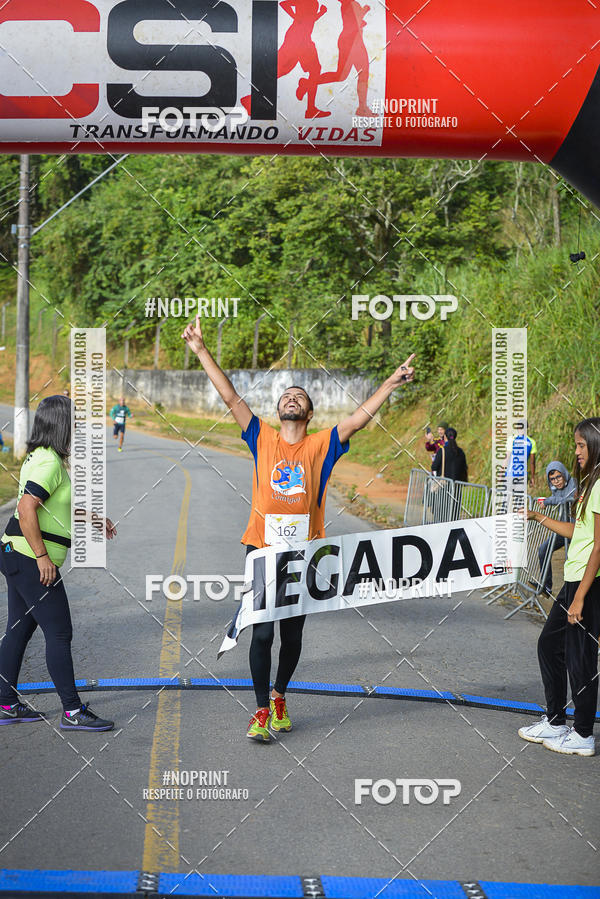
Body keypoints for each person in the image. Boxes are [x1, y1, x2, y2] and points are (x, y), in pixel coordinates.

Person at [182, 315, 416, 742]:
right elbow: (230, 395)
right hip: (260, 549)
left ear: (309, 412)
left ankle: (279, 695)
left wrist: (390, 383)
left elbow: (358, 419)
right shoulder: (261, 437)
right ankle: (258, 711)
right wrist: (200, 350)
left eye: (299, 397)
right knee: (262, 630)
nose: (291, 399)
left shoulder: (322, 445)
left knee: (292, 636)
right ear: (278, 410)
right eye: (286, 396)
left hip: (304, 555)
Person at [0, 395, 116, 731]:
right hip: (27, 557)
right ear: (61, 423)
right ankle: (72, 711)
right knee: (59, 631)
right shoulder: (49, 462)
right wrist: (42, 557)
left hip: (14, 553)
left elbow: (47, 506)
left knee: (18, 630)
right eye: (74, 420)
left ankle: (5, 703)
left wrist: (90, 516)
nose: (77, 426)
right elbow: (25, 509)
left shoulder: (43, 457)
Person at [518, 418, 600, 757]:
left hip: (588, 584)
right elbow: (577, 532)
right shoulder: (590, 482)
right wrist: (539, 517)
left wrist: (580, 596)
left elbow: (598, 546)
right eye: (576, 445)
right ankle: (554, 721)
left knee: (581, 660)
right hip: (573, 581)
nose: (576, 451)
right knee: (550, 646)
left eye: (581, 445)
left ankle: (582, 734)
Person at [531, 462, 577, 595]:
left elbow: (565, 500)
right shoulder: (554, 488)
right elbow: (557, 498)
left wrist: (547, 501)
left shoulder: (574, 483)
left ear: (564, 474)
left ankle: (572, 593)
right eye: (552, 479)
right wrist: (546, 500)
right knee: (543, 549)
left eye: (559, 477)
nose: (556, 481)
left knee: (571, 560)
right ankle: (546, 586)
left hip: (577, 530)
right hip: (562, 529)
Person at [431, 427, 468, 520]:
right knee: (453, 514)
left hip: (443, 486)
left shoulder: (442, 450)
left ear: (445, 437)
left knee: (441, 512)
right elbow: (464, 468)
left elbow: (434, 467)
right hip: (456, 487)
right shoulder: (460, 452)